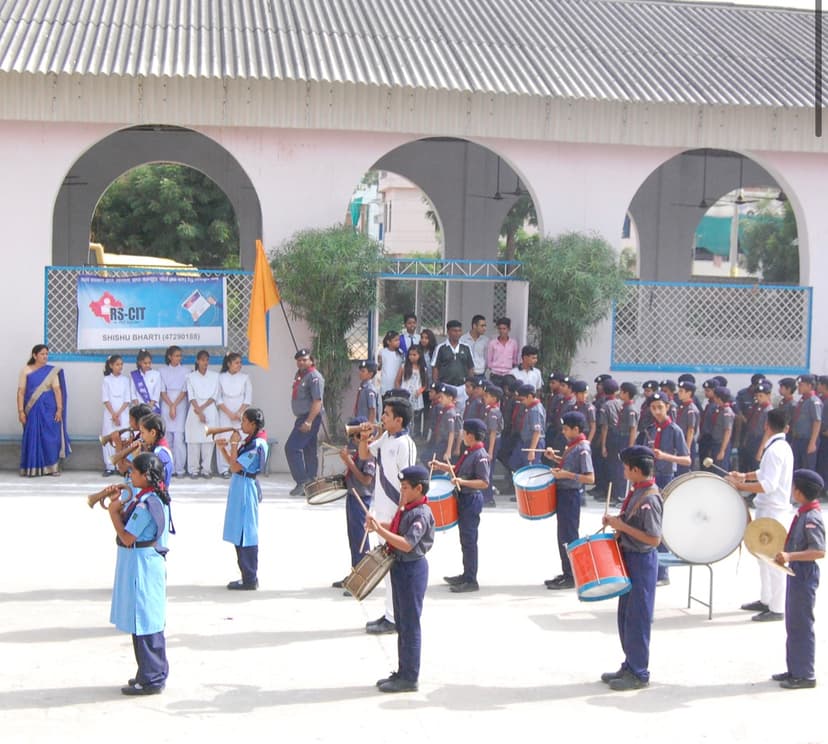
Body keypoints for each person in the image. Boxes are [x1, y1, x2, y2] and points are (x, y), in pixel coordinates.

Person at [106, 452, 171, 695]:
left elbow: (127, 536)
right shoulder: (147, 497)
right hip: (142, 562)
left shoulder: (145, 505)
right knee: (141, 620)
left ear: (146, 475)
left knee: (146, 622)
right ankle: (147, 672)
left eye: (134, 472)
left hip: (142, 565)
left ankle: (152, 678)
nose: (130, 475)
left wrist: (113, 513)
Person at [367, 464, 435, 693]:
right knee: (402, 624)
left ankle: (409, 677)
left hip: (412, 570)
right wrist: (378, 525)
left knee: (410, 625)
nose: (402, 491)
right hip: (401, 568)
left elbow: (406, 542)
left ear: (419, 489)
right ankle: (402, 671)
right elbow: (397, 529)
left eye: (405, 487)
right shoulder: (408, 507)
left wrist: (381, 532)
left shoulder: (421, 514)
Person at [600, 445, 662, 691]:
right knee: (626, 616)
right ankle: (630, 663)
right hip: (629, 556)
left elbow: (654, 539)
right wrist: (617, 523)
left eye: (626, 468)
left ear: (636, 470)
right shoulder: (638, 491)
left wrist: (622, 528)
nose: (624, 471)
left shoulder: (650, 498)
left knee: (638, 618)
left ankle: (639, 672)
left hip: (642, 561)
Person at [726, 408, 794, 622]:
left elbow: (768, 484)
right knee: (762, 558)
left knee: (774, 561)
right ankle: (766, 599)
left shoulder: (775, 450)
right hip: (769, 509)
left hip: (774, 511)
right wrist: (744, 476)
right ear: (787, 427)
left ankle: (777, 607)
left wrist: (741, 486)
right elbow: (764, 473)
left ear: (766, 425)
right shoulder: (779, 446)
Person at [360, 397, 418, 635]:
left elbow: (409, 482)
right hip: (382, 509)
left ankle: (395, 617)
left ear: (399, 420)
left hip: (395, 511)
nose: (382, 418)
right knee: (386, 567)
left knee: (394, 568)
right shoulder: (386, 438)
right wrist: (363, 438)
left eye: (386, 414)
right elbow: (365, 455)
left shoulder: (405, 444)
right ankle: (389, 613)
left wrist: (401, 514)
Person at [771, 469, 825, 689]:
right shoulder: (803, 512)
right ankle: (795, 668)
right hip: (795, 570)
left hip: (804, 572)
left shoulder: (812, 517)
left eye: (794, 487)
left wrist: (790, 556)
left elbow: (819, 551)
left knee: (802, 623)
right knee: (793, 623)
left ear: (800, 492)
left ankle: (805, 674)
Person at [637, 392, 690, 585]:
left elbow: (686, 459)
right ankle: (650, 568)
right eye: (653, 408)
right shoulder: (649, 429)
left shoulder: (675, 430)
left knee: (659, 523)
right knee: (646, 521)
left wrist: (665, 456)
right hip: (648, 478)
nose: (657, 411)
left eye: (660, 407)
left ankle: (663, 573)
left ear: (668, 407)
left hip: (665, 477)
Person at [432, 418, 490, 593]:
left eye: (464, 433)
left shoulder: (480, 455)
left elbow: (484, 483)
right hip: (464, 499)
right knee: (465, 539)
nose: (462, 436)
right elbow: (457, 470)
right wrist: (440, 466)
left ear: (470, 435)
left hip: (472, 500)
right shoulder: (469, 452)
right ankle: (466, 574)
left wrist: (462, 482)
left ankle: (471, 580)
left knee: (470, 540)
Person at [217, 408, 268, 590]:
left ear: (253, 424)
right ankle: (246, 574)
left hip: (246, 487)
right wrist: (224, 448)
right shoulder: (250, 441)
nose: (242, 425)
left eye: (245, 421)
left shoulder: (257, 444)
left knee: (247, 532)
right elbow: (234, 463)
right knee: (239, 530)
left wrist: (232, 445)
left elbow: (236, 467)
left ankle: (250, 577)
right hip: (240, 485)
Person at [545, 411, 594, 590]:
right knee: (562, 536)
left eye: (566, 429)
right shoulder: (572, 445)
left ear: (576, 429)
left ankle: (572, 575)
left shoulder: (583, 448)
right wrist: (555, 459)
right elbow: (568, 465)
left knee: (569, 537)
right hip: (563, 493)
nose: (564, 432)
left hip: (571, 495)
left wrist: (566, 475)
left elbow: (590, 478)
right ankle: (567, 571)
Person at [333, 418, 376, 590]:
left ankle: (362, 580)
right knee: (353, 538)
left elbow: (366, 479)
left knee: (360, 541)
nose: (352, 441)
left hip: (362, 499)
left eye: (354, 437)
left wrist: (349, 462)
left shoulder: (370, 453)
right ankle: (354, 574)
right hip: (353, 496)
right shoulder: (359, 451)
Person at [17, 344, 70, 477]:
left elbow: (57, 390)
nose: (45, 356)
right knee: (33, 437)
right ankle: (32, 468)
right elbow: (21, 392)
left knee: (51, 437)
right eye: (42, 354)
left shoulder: (51, 371)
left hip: (49, 409)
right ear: (35, 355)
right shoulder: (26, 371)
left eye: (46, 353)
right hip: (32, 410)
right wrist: (21, 411)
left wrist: (59, 410)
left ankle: (52, 468)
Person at [285, 349, 325, 496]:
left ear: (311, 361)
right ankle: (311, 483)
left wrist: (309, 421)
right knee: (309, 450)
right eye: (299, 360)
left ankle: (302, 481)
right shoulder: (300, 375)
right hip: (303, 417)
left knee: (291, 448)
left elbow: (317, 401)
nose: (301, 362)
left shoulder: (314, 377)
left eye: (304, 359)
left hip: (310, 417)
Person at [216, 352, 253, 478]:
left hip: (240, 415)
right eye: (237, 362)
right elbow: (218, 398)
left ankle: (239, 465)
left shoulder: (245, 377)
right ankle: (224, 468)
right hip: (225, 414)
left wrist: (239, 413)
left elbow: (247, 398)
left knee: (240, 438)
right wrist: (229, 413)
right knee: (224, 437)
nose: (239, 365)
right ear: (229, 364)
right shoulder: (220, 377)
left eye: (240, 362)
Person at [185, 350, 220, 479]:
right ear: (197, 361)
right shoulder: (191, 377)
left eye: (207, 360)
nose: (205, 362)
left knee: (208, 441)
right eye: (202, 360)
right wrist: (199, 411)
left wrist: (203, 409)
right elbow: (191, 395)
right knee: (193, 441)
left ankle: (206, 469)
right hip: (194, 410)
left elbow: (214, 395)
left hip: (209, 409)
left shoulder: (215, 376)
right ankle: (193, 469)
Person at [159, 346, 188, 478]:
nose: (178, 358)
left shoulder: (186, 371)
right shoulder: (162, 371)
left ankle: (180, 468)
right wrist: (170, 405)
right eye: (176, 355)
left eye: (180, 356)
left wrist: (175, 405)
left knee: (179, 439)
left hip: (180, 404)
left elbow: (184, 390)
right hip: (166, 403)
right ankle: (168, 467)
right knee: (167, 438)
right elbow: (162, 390)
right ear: (169, 356)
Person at [101, 354, 131, 477]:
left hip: (122, 413)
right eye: (117, 364)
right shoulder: (106, 380)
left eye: (121, 364)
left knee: (123, 439)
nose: (120, 367)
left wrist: (118, 414)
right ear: (111, 365)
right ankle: (109, 466)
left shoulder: (125, 380)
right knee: (109, 439)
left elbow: (127, 399)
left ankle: (121, 466)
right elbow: (105, 399)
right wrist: (113, 414)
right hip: (110, 413)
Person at [432, 320, 474, 407]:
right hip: (446, 386)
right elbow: (435, 368)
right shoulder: (441, 348)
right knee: (446, 412)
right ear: (448, 332)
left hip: (462, 387)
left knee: (462, 414)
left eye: (459, 331)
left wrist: (470, 385)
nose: (457, 333)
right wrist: (436, 386)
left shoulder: (466, 348)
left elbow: (470, 367)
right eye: (454, 331)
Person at [396, 345, 429, 437]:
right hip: (405, 396)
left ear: (419, 356)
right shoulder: (404, 366)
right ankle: (405, 433)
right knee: (405, 415)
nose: (412, 357)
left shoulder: (423, 368)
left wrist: (420, 390)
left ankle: (415, 435)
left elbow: (425, 383)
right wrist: (400, 393)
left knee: (415, 416)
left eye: (414, 355)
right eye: (410, 354)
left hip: (416, 396)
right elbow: (397, 381)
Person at [790, 374, 822, 470]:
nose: (798, 387)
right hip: (797, 439)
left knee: (807, 468)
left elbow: (817, 422)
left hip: (807, 440)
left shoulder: (814, 401)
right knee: (796, 467)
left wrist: (812, 443)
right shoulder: (802, 400)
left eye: (801, 385)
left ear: (809, 386)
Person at [674, 380, 700, 475]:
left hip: (686, 441)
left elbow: (691, 429)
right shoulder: (682, 406)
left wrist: (687, 448)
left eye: (681, 391)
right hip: (680, 440)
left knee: (684, 471)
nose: (679, 393)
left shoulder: (691, 409)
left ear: (689, 393)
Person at [487, 317, 520, 387]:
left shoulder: (513, 343)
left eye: (504, 329)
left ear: (509, 329)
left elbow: (515, 360)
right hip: (495, 375)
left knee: (508, 395)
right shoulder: (492, 343)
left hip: (508, 375)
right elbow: (489, 361)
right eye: (500, 329)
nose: (501, 331)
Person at [378, 331, 404, 395]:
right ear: (388, 342)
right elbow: (379, 367)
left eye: (398, 340)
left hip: (397, 382)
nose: (398, 342)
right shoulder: (382, 352)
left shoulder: (400, 352)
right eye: (396, 340)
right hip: (386, 383)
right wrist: (379, 363)